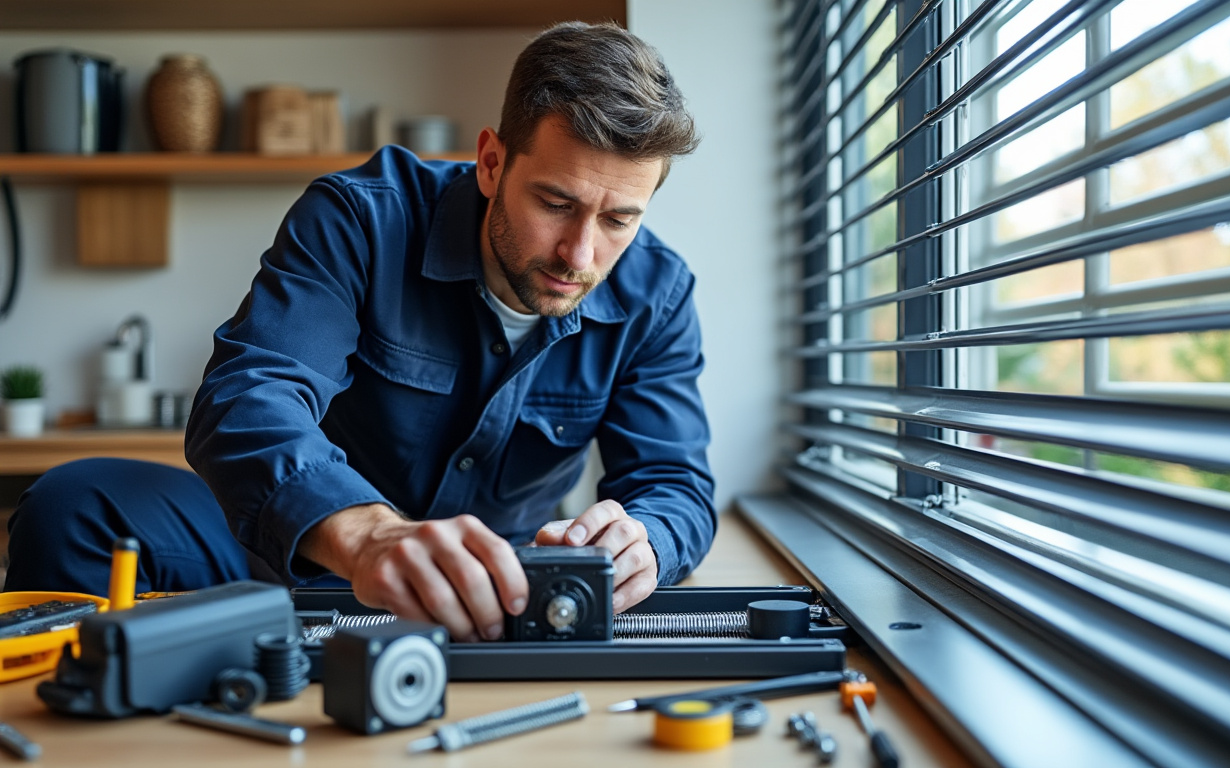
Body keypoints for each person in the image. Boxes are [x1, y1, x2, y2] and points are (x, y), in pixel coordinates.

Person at [3, 21, 716, 644]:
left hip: (497, 593)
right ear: (491, 163)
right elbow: (246, 399)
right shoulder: (359, 219)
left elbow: (674, 483)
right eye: (556, 203)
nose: (580, 254)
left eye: (619, 219)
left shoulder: (657, 293)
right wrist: (368, 535)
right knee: (73, 505)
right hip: (298, 557)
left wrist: (647, 542)